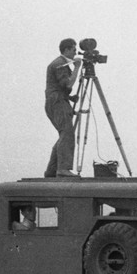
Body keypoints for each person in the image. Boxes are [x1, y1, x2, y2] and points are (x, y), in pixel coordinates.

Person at [44, 38, 83, 178]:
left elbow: (59, 87)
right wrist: (77, 67)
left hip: (56, 101)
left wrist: (70, 98)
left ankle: (52, 170)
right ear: (66, 49)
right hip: (57, 103)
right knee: (67, 133)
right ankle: (63, 168)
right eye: (74, 49)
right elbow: (67, 85)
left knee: (64, 134)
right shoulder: (60, 64)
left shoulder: (60, 63)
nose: (75, 52)